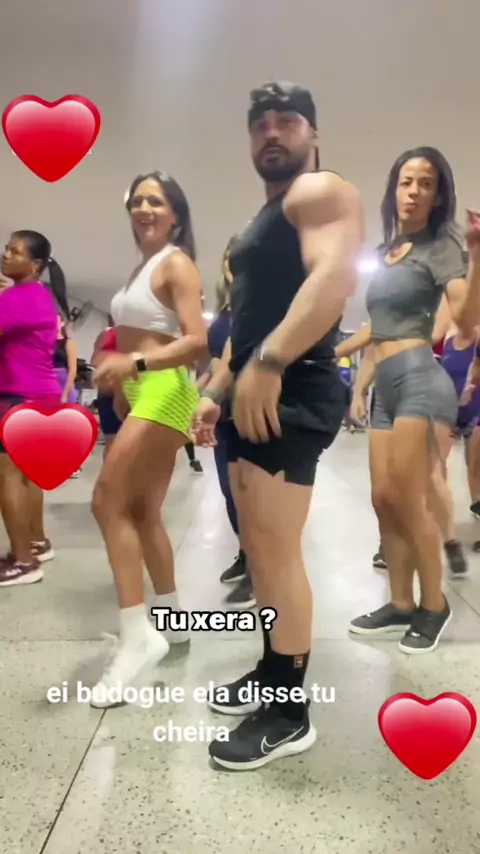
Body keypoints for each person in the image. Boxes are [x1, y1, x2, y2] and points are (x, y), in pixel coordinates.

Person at [191, 81, 363, 769]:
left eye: (287, 120)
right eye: (260, 122)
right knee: (259, 550)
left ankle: (290, 715)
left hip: (291, 386)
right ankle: (272, 671)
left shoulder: (318, 190)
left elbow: (334, 279)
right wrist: (219, 387)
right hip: (254, 390)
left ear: (312, 133)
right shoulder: (263, 223)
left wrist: (270, 360)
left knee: (277, 551)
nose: (272, 131)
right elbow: (246, 321)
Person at [342, 147, 480, 654]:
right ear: (393, 190)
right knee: (383, 499)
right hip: (386, 385)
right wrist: (326, 354)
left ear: (438, 195)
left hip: (421, 380)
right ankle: (400, 604)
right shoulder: (389, 251)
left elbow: (466, 319)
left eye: (426, 183)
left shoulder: (443, 245)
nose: (414, 191)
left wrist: (477, 256)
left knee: (407, 497)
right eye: (406, 181)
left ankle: (434, 605)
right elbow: (375, 327)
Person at [91, 171, 207, 706]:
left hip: (166, 387)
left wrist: (133, 364)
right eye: (137, 200)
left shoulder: (175, 263)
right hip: (142, 388)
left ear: (175, 214)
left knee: (106, 501)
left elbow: (196, 341)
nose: (144, 208)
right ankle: (173, 622)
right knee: (142, 512)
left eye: (156, 201)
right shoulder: (142, 267)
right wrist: (123, 383)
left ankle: (137, 635)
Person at [0, 231, 69, 585]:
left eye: (15, 252)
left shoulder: (19, 297)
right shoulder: (37, 295)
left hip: (19, 394)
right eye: (7, 249)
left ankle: (23, 562)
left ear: (35, 264)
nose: (5, 255)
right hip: (39, 394)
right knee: (27, 474)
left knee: (8, 476)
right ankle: (36, 542)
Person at [198, 238, 255, 608]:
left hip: (248, 406)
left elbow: (237, 360)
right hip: (222, 408)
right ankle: (247, 554)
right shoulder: (225, 310)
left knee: (249, 494)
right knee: (229, 490)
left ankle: (259, 569)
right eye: (229, 258)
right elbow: (218, 360)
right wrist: (200, 392)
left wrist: (211, 391)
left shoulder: (258, 304)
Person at [90, 320, 123, 460]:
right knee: (113, 439)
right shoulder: (108, 333)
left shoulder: (139, 334)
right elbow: (95, 361)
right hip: (111, 391)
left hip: (129, 391)